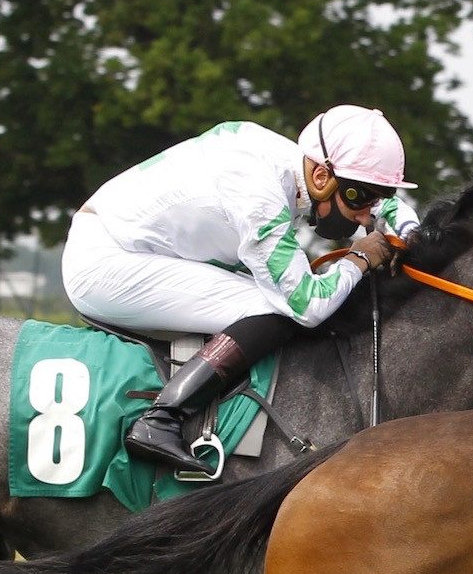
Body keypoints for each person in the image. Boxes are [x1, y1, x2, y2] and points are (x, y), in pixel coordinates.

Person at [62, 105, 422, 474]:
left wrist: (410, 233)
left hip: (131, 244)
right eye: (359, 200)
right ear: (320, 176)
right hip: (106, 264)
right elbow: (307, 305)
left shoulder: (296, 163)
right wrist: (358, 259)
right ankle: (162, 419)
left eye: (371, 199)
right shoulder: (259, 195)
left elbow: (380, 200)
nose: (365, 215)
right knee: (274, 310)